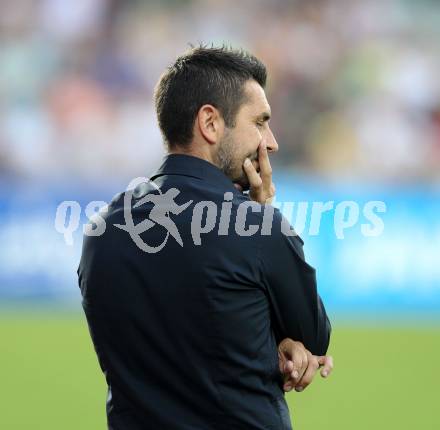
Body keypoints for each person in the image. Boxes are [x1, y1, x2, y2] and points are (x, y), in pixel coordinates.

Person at [78, 45, 332, 430]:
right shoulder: (256, 227)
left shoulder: (101, 231)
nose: (272, 142)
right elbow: (313, 336)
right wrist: (264, 212)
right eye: (260, 122)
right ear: (210, 123)